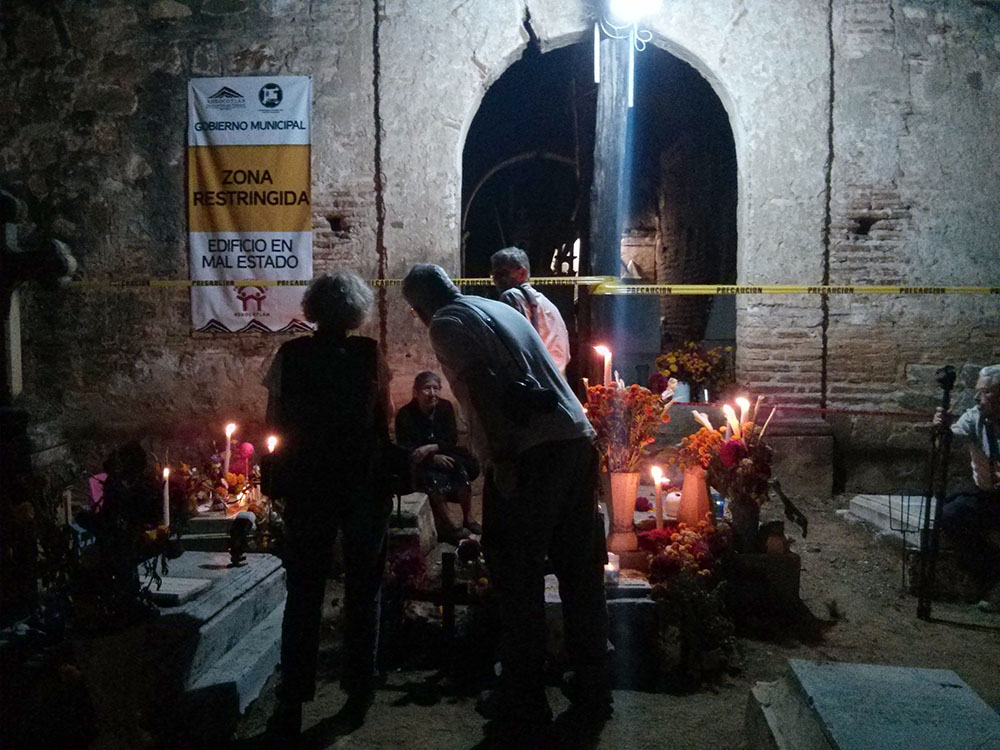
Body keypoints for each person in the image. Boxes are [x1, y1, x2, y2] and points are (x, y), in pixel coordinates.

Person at [402, 263, 611, 734]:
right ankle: (594, 685)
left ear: (419, 308)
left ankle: (524, 695)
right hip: (575, 440)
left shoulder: (447, 323)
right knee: (579, 569)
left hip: (530, 452)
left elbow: (483, 387)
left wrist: (505, 459)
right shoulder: (498, 307)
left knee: (515, 573)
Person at [262, 270, 397, 739]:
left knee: (304, 591)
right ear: (355, 311)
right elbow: (385, 421)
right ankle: (359, 691)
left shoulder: (291, 355)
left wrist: (276, 475)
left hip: (308, 483)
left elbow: (273, 421)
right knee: (364, 589)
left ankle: (293, 699)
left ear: (312, 308)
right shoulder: (369, 355)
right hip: (362, 482)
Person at [934, 364, 1000, 612]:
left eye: (984, 392)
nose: (976, 397)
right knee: (951, 513)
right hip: (989, 494)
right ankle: (993, 575)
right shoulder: (975, 417)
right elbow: (950, 440)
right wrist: (942, 429)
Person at [395, 371, 482, 544]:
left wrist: (434, 447)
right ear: (416, 391)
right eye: (427, 388)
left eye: (436, 388)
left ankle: (468, 518)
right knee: (430, 480)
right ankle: (450, 526)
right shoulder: (405, 414)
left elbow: (451, 439)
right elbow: (406, 447)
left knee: (460, 469)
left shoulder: (445, 407)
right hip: (420, 461)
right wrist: (431, 458)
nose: (432, 393)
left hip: (443, 452)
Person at [490, 246, 570, 374]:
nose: (496, 280)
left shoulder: (512, 296)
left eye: (502, 274)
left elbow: (511, 346)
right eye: (494, 275)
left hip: (534, 379)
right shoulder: (546, 303)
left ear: (522, 273)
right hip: (557, 378)